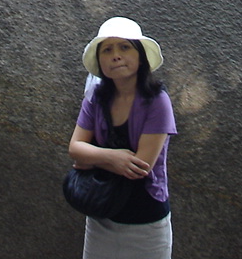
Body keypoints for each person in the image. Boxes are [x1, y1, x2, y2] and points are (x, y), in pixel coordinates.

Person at [69, 16, 176, 259]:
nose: (116, 55)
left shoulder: (157, 101)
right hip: (101, 215)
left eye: (125, 47)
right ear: (100, 61)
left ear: (141, 56)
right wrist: (113, 158)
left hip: (146, 222)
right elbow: (75, 148)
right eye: (107, 50)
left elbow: (140, 166)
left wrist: (92, 158)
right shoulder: (96, 97)